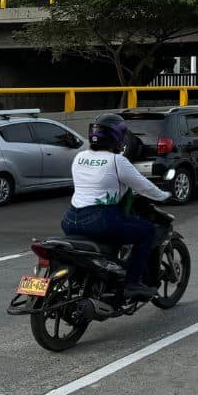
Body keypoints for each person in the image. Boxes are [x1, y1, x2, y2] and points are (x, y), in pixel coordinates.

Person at [63, 113, 171, 300]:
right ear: (117, 137)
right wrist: (164, 195)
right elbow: (144, 186)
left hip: (71, 219)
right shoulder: (117, 161)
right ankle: (132, 284)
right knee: (146, 231)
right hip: (100, 220)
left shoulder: (79, 157)